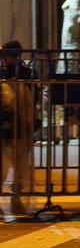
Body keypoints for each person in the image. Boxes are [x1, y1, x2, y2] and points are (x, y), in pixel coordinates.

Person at [1, 41, 35, 215]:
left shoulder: (25, 73)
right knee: (6, 164)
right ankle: (14, 199)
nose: (3, 59)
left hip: (19, 124)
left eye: (5, 55)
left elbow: (31, 101)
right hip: (10, 124)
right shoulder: (18, 72)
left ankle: (17, 198)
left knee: (19, 164)